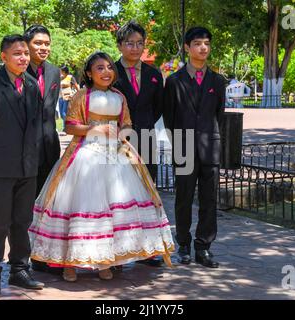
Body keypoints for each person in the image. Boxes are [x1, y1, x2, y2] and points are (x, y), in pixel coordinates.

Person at [28, 52, 174, 282]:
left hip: (116, 155)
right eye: (99, 68)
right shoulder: (81, 96)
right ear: (88, 73)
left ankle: (106, 261)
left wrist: (122, 135)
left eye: (109, 67)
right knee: (80, 208)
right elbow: (70, 126)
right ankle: (70, 263)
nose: (106, 72)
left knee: (115, 211)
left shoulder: (119, 97)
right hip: (85, 155)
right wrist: (95, 130)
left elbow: (126, 123)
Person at [0, 35, 45, 296]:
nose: (24, 57)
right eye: (17, 53)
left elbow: (35, 124)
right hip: (0, 166)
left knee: (22, 221)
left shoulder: (32, 85)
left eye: (26, 53)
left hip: (28, 166)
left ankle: (19, 271)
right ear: (4, 56)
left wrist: (31, 157)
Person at [163, 27, 226, 268]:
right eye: (197, 43)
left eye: (207, 43)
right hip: (184, 147)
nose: (203, 48)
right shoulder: (174, 81)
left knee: (209, 199)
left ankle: (204, 247)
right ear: (187, 48)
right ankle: (183, 246)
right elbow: (169, 118)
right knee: (183, 198)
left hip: (210, 148)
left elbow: (218, 115)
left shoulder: (218, 81)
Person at [113, 20, 165, 267]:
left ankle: (147, 250)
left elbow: (157, 108)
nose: (135, 48)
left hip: (146, 139)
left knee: (146, 192)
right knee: (118, 194)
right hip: (115, 141)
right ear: (120, 45)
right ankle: (118, 250)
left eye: (139, 43)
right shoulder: (109, 72)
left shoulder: (155, 75)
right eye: (129, 43)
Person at [24, 25, 62, 275]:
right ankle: (21, 256)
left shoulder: (54, 73)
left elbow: (50, 112)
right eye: (38, 43)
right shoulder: (16, 70)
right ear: (27, 45)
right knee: (24, 206)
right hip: (23, 151)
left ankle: (42, 256)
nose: (43, 48)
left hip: (49, 148)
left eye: (47, 43)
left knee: (47, 205)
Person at [59, 65, 80, 133]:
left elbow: (76, 86)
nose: (60, 72)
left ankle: (65, 128)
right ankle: (69, 125)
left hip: (68, 97)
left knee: (64, 112)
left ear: (64, 71)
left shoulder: (70, 77)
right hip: (60, 97)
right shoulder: (60, 78)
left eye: (61, 71)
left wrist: (79, 95)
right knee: (61, 114)